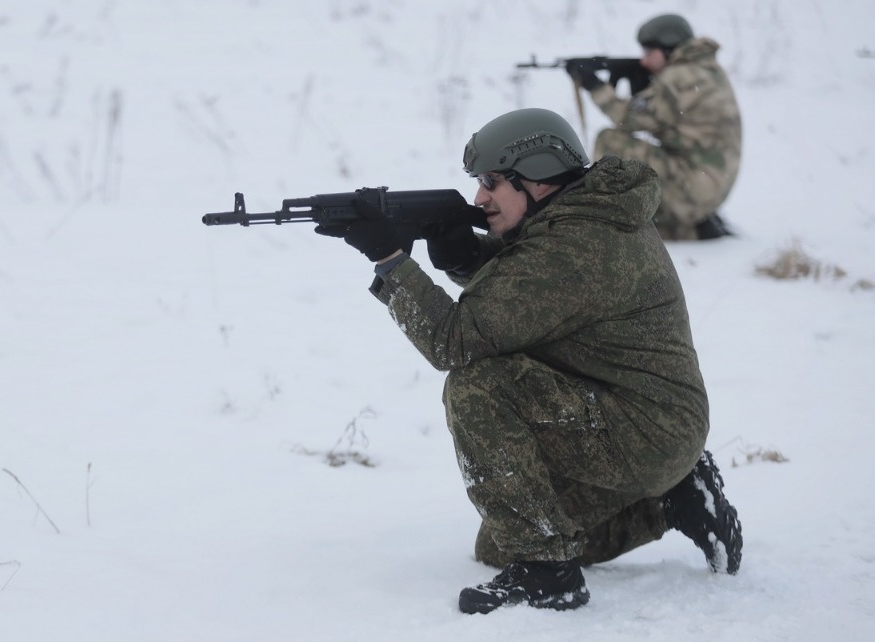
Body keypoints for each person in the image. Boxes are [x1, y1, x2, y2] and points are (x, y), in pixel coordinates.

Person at [314, 108, 742, 614]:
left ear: (536, 178)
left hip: (645, 430)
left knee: (477, 385)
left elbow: (454, 341)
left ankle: (548, 575)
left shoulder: (574, 245)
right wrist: (461, 258)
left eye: (492, 182)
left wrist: (391, 261)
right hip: (648, 421)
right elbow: (532, 304)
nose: (479, 197)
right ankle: (672, 500)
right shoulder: (586, 217)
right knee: (497, 545)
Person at [567, 13, 742, 240]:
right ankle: (690, 228)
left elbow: (626, 119)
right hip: (708, 188)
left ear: (669, 49)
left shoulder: (679, 77)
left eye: (650, 53)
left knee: (610, 139)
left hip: (693, 189)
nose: (644, 62)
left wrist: (595, 85)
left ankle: (598, 218)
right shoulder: (705, 70)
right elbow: (666, 122)